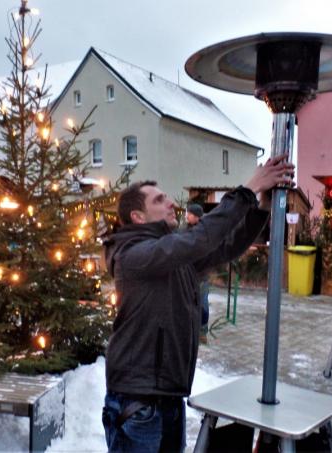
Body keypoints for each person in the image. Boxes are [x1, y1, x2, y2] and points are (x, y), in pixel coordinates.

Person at [101, 154, 295, 452]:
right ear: (138, 217)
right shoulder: (133, 255)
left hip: (167, 395)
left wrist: (263, 207)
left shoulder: (169, 253)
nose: (171, 203)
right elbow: (200, 238)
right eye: (160, 200)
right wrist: (248, 188)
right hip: (137, 401)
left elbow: (227, 245)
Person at [184, 203, 210, 344]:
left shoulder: (204, 232)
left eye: (190, 214)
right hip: (187, 275)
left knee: (203, 304)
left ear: (197, 216)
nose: (187, 216)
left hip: (201, 275)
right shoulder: (186, 231)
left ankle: (202, 331)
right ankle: (188, 330)